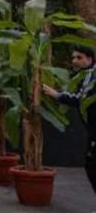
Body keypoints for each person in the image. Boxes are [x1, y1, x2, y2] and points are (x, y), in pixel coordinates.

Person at [43, 45, 96, 193]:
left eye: (79, 57)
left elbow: (80, 98)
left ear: (90, 59)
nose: (74, 61)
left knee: (92, 167)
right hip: (92, 130)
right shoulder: (84, 76)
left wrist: (57, 94)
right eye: (73, 58)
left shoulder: (91, 75)